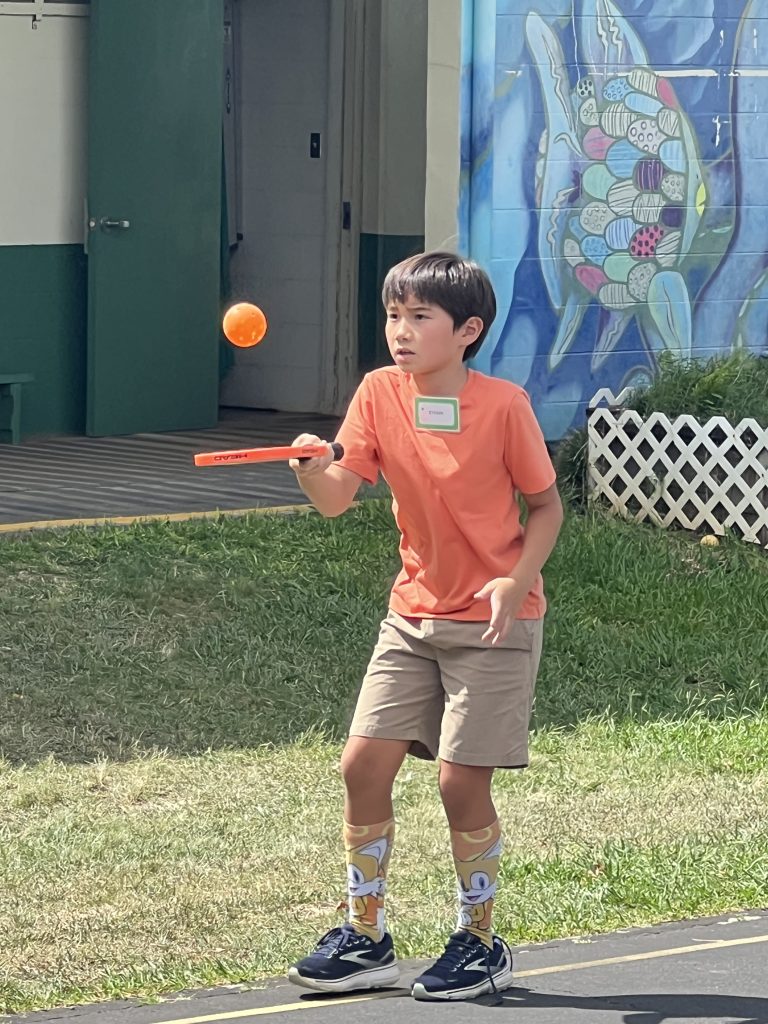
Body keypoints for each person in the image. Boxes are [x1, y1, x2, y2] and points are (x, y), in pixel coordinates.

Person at [286, 251, 563, 1001]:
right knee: (360, 767)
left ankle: (479, 941)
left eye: (419, 318)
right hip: (412, 616)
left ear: (467, 330)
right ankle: (366, 937)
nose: (399, 333)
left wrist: (516, 578)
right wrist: (314, 468)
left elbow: (546, 507)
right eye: (392, 315)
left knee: (458, 784)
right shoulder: (378, 393)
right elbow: (340, 496)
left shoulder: (504, 406)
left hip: (494, 625)